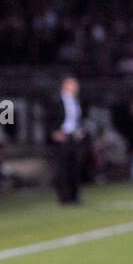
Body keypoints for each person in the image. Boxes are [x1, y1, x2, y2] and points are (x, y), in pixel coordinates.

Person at [51, 76, 84, 204]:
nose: (76, 86)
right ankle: (64, 198)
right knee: (62, 168)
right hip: (62, 137)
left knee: (74, 168)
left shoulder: (76, 100)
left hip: (73, 137)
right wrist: (54, 132)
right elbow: (50, 117)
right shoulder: (57, 100)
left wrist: (79, 131)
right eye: (73, 84)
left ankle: (74, 197)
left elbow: (77, 119)